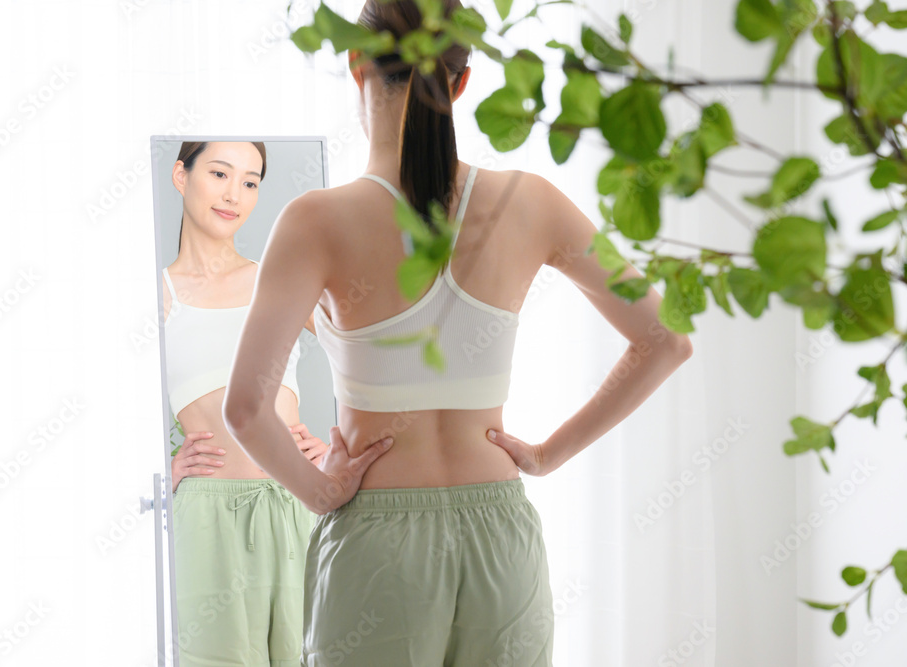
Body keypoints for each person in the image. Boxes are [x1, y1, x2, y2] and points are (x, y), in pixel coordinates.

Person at [220, 2, 694, 665]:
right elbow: (667, 339)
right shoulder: (530, 202)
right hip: (502, 540)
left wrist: (322, 491)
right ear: (461, 81)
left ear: (357, 62)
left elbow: (245, 408)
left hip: (379, 545)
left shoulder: (315, 221)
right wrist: (546, 455)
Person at [162, 140, 336, 667]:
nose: (233, 194)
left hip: (295, 505)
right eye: (219, 173)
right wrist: (165, 468)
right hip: (207, 522)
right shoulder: (156, 296)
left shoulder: (279, 279)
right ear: (181, 175)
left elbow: (372, 357)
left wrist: (342, 446)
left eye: (250, 181)